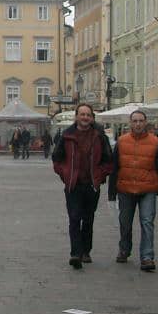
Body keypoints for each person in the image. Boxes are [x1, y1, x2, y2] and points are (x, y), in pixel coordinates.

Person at [108, 110, 158, 272]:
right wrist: (111, 192)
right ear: (130, 123)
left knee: (147, 222)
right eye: (135, 121)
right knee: (125, 222)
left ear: (145, 123)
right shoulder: (121, 142)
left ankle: (147, 257)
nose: (138, 124)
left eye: (140, 121)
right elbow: (114, 168)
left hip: (147, 189)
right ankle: (124, 249)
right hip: (125, 188)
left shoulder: (154, 142)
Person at [52, 104, 113, 269]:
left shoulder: (99, 136)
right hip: (73, 184)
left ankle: (86, 250)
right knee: (74, 218)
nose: (85, 117)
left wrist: (101, 175)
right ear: (76, 117)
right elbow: (56, 158)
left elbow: (108, 160)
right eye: (82, 114)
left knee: (88, 218)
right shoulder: (67, 135)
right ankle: (75, 253)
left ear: (92, 118)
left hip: (92, 184)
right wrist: (64, 173)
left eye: (88, 115)